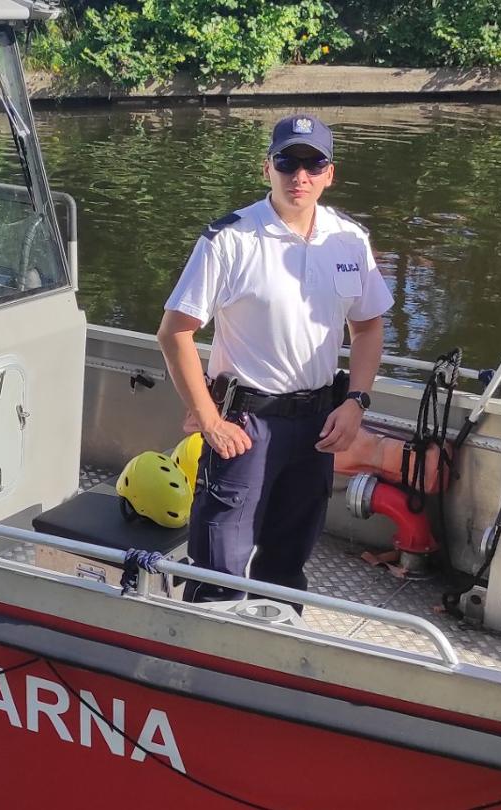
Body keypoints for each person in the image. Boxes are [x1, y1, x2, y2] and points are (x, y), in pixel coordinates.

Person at [156, 113, 393, 602]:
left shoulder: (349, 240)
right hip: (246, 428)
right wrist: (208, 420)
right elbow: (175, 333)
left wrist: (356, 402)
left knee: (287, 568)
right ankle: (204, 664)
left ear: (331, 172)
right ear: (268, 168)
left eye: (313, 164)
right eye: (287, 161)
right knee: (220, 568)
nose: (299, 176)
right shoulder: (231, 238)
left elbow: (368, 327)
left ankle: (272, 660)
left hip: (317, 429)